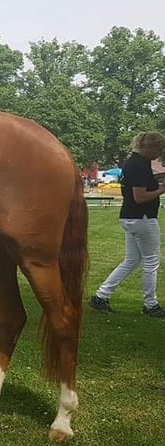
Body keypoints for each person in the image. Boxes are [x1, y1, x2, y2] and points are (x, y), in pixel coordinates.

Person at [89, 131, 165, 318]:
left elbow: (139, 187)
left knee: (131, 261)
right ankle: (150, 304)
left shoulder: (135, 163)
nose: (160, 152)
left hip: (130, 217)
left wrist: (157, 179)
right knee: (151, 262)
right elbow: (140, 197)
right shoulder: (139, 166)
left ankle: (101, 295)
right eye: (159, 148)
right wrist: (163, 188)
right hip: (143, 218)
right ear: (149, 146)